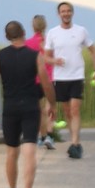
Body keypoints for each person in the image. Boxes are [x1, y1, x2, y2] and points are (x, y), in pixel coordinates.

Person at [0, 21, 46, 188]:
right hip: (30, 107)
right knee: (30, 150)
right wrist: (51, 104)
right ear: (24, 33)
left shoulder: (0, 56)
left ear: (7, 36)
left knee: (12, 151)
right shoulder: (35, 55)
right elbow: (46, 82)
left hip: (10, 108)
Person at [44, 2, 95, 158]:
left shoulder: (81, 31)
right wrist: (55, 61)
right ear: (59, 14)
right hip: (60, 78)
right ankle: (73, 140)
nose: (66, 14)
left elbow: (93, 51)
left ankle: (76, 143)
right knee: (67, 111)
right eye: (63, 11)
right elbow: (46, 57)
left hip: (77, 76)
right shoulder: (53, 33)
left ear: (72, 13)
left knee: (75, 109)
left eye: (68, 11)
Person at [26, 15, 58, 151]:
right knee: (50, 107)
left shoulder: (28, 43)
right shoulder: (50, 43)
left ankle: (42, 136)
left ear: (33, 26)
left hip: (35, 79)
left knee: (40, 110)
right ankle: (49, 135)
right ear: (45, 26)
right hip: (50, 78)